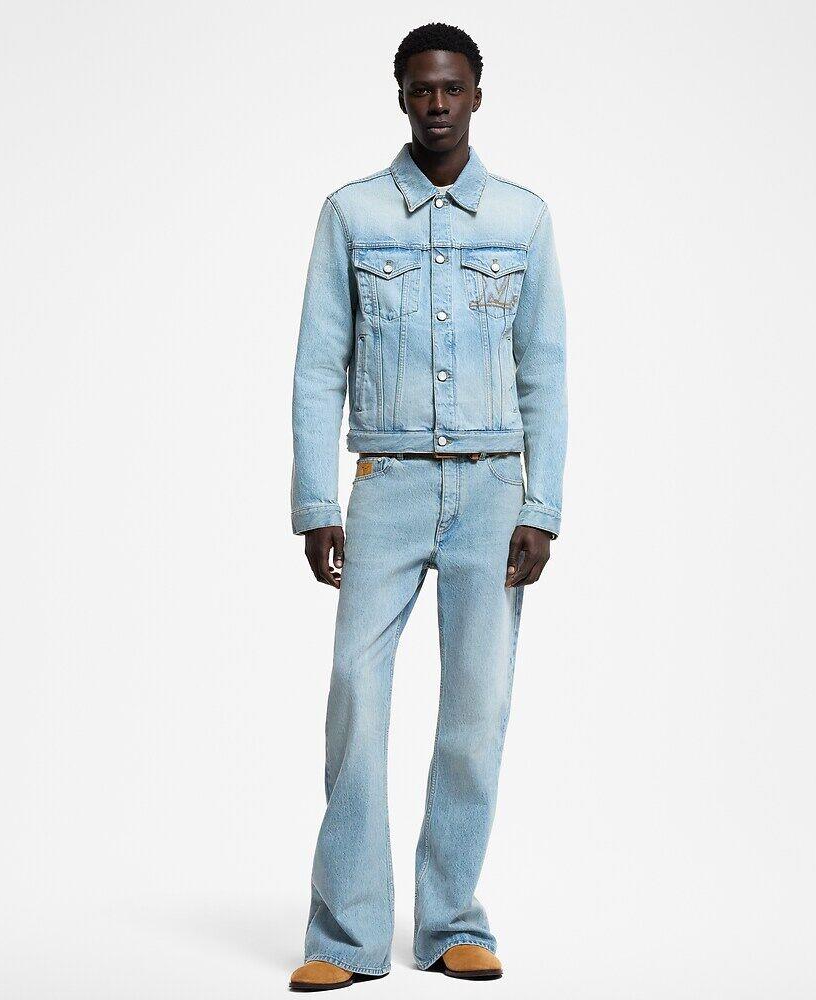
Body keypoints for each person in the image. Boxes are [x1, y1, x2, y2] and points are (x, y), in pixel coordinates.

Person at [288, 22, 567, 991]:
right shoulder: (352, 213)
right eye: (420, 88)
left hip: (494, 492)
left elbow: (545, 371)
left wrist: (542, 504)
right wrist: (315, 500)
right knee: (355, 695)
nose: (436, 104)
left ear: (476, 94)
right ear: (401, 95)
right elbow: (318, 364)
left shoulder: (523, 219)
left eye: (451, 88)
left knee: (475, 711)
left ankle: (451, 922)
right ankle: (344, 936)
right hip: (385, 485)